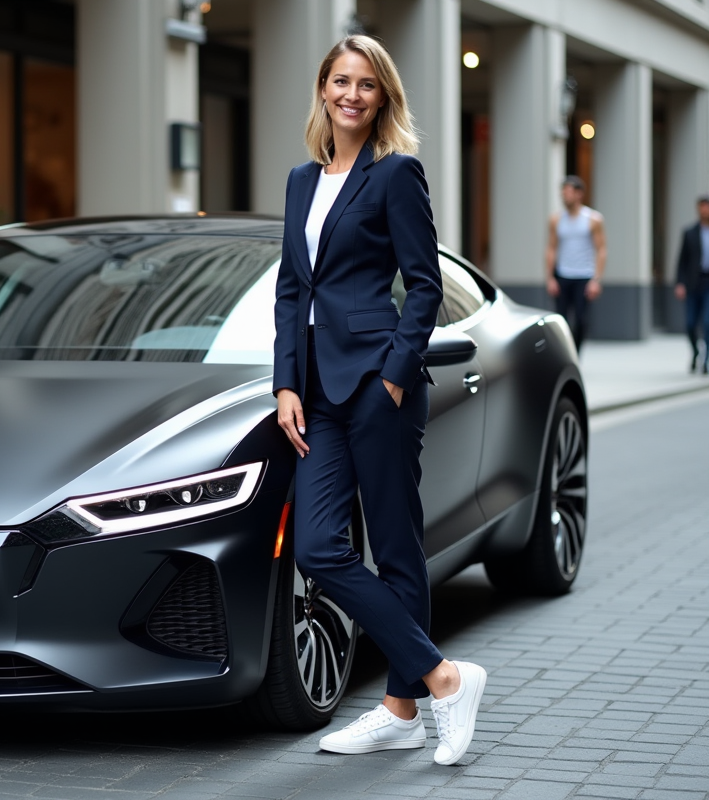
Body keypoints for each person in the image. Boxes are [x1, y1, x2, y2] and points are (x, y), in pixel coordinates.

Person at [272, 35, 485, 766]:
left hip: (377, 386)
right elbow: (290, 290)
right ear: (323, 89)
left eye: (367, 84)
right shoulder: (302, 180)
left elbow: (424, 284)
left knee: (396, 550)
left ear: (382, 95)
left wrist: (394, 376)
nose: (352, 94)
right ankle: (446, 678)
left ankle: (401, 707)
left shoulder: (396, 175)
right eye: (340, 80)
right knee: (320, 548)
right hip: (316, 394)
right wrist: (285, 383)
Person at [545, 177, 607, 352]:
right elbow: (551, 248)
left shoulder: (593, 219)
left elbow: (601, 249)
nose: (564, 196)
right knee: (561, 320)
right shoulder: (556, 219)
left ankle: (576, 353)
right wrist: (550, 277)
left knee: (581, 319)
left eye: (569, 192)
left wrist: (596, 280)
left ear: (579, 194)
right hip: (562, 275)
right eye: (563, 193)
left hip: (584, 276)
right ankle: (565, 353)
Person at [674, 195, 709, 374]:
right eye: (702, 207)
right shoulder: (690, 232)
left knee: (707, 322)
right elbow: (682, 260)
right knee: (689, 323)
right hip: (693, 283)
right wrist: (679, 283)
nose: (705, 210)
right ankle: (696, 352)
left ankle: (707, 360)